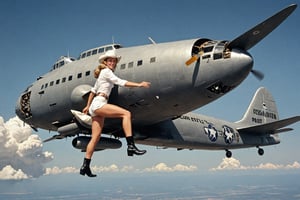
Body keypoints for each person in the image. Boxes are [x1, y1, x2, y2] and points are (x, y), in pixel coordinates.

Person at [80, 50, 151, 177]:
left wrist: (87, 106)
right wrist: (139, 85)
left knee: (95, 138)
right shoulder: (106, 72)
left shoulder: (102, 73)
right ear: (105, 62)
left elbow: (92, 91)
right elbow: (121, 82)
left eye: (114, 61)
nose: (112, 63)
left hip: (96, 105)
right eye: (110, 61)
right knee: (126, 114)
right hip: (100, 103)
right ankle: (131, 146)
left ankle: (85, 166)